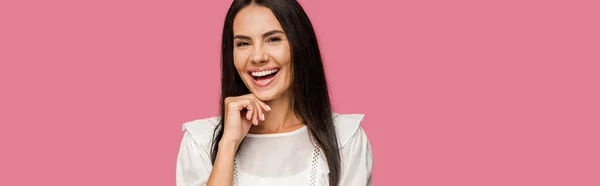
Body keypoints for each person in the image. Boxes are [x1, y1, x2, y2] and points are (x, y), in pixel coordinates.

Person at [175, 0, 373, 185]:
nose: (258, 56)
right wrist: (228, 145)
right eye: (243, 43)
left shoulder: (345, 139)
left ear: (300, 45)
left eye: (273, 39)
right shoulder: (200, 141)